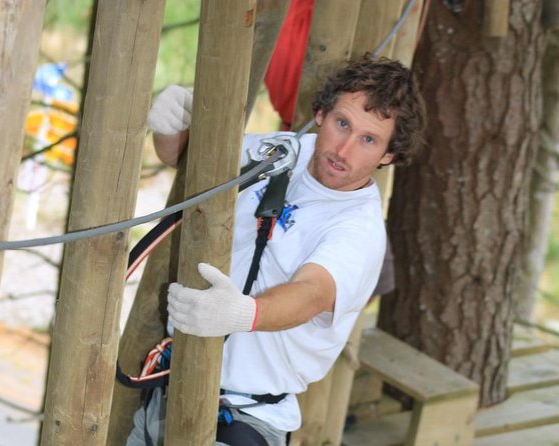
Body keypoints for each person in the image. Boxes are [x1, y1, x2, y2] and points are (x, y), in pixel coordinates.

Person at [126, 57, 426, 446]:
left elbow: (311, 293)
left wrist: (244, 313)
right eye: (342, 124)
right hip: (167, 392)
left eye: (369, 140)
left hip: (244, 419)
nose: (344, 148)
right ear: (321, 113)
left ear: (389, 155)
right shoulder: (282, 153)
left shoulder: (358, 231)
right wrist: (169, 128)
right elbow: (188, 162)